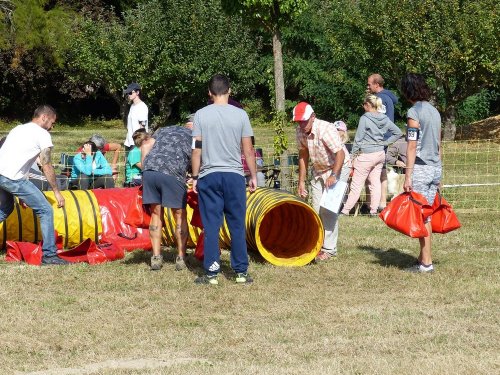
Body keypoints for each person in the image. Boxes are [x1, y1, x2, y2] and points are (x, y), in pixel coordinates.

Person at [191, 74, 257, 285]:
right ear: (230, 90)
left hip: (209, 176)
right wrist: (253, 176)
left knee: (211, 226)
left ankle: (211, 273)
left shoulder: (200, 115)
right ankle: (240, 273)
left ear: (209, 93)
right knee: (237, 225)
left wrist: (194, 176)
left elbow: (196, 150)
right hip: (235, 176)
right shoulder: (241, 115)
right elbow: (248, 150)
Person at [0, 105, 68, 265]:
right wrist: (56, 191)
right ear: (44, 117)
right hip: (12, 178)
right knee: (45, 210)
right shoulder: (42, 134)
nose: (52, 127)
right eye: (52, 122)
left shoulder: (18, 129)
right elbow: (46, 165)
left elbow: (17, 158)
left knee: (5, 209)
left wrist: (23, 193)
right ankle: (50, 255)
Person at [293, 102, 349, 262]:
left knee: (328, 210)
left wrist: (334, 175)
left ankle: (329, 250)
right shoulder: (300, 131)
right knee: (316, 209)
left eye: (304, 121)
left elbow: (340, 154)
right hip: (319, 170)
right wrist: (301, 182)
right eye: (298, 121)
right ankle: (316, 244)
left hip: (338, 167)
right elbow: (303, 155)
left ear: (313, 117)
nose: (301, 124)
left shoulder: (325, 129)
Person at [134, 127, 192, 271]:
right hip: (172, 173)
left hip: (150, 172)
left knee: (155, 214)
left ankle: (156, 257)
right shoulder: (195, 136)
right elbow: (197, 157)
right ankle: (180, 257)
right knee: (179, 214)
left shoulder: (163, 130)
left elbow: (147, 145)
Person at [401, 73, 442, 273]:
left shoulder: (413, 112)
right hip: (435, 167)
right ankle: (422, 257)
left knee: (422, 217)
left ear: (407, 90)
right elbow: (439, 144)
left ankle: (426, 263)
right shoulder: (435, 111)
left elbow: (411, 146)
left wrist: (407, 175)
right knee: (427, 216)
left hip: (421, 167)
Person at [341, 95, 402, 216]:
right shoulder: (384, 118)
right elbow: (398, 132)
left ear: (368, 105)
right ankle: (374, 210)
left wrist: (352, 156)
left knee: (356, 184)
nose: (363, 107)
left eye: (364, 105)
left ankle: (345, 210)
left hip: (366, 155)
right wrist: (385, 143)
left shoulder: (365, 118)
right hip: (380, 154)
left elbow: (358, 139)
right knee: (375, 183)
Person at [123, 82, 148, 156]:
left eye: (130, 92)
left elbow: (142, 127)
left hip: (136, 143)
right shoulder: (132, 106)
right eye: (128, 93)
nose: (129, 95)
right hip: (129, 141)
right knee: (127, 166)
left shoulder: (142, 107)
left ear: (137, 92)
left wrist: (139, 144)